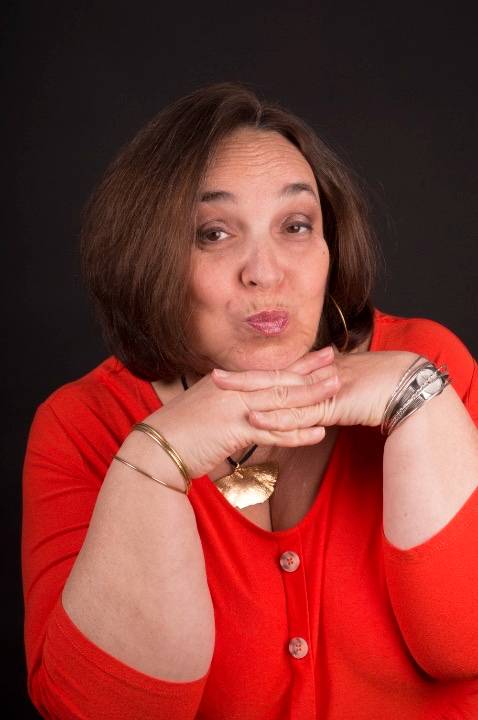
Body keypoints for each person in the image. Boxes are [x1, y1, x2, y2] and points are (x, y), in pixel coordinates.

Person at [22, 82, 478, 720]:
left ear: (330, 245)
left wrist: (416, 394)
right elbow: (96, 710)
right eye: (213, 233)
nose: (265, 271)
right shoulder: (81, 426)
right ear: (149, 257)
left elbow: (463, 646)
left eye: (296, 225)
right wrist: (155, 460)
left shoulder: (428, 364)